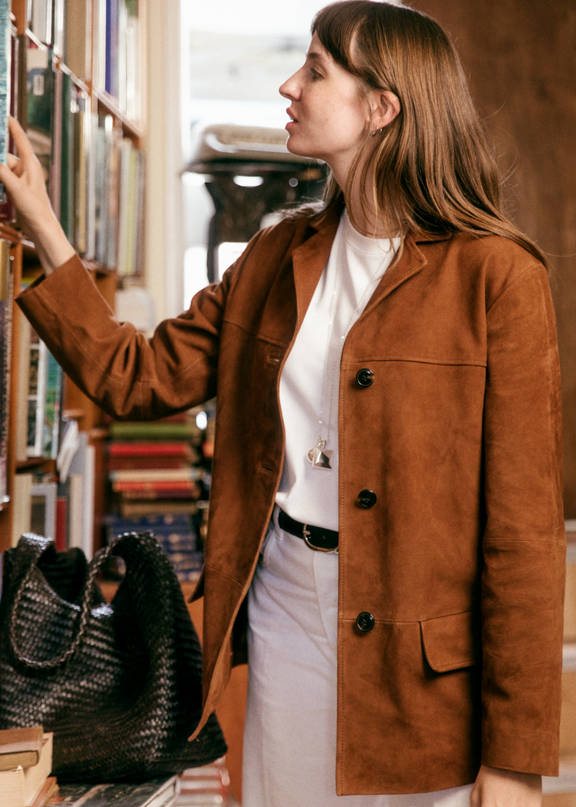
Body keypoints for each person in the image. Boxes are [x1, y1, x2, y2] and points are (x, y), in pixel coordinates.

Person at [0, 2, 565, 805]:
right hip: (284, 615)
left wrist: (513, 760)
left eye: (316, 70)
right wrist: (45, 225)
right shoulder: (276, 252)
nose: (289, 85)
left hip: (425, 667)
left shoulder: (498, 278)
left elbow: (523, 539)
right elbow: (137, 375)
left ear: (382, 108)